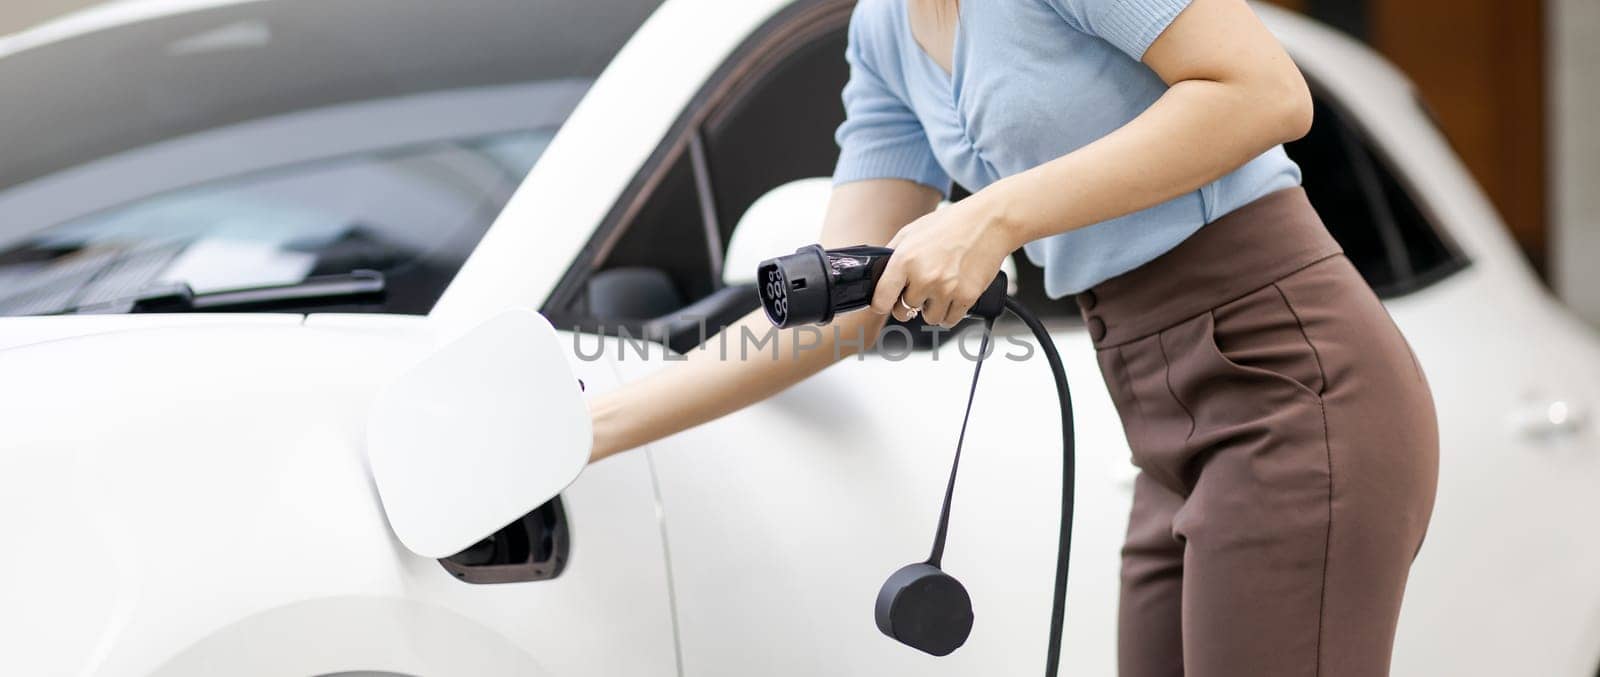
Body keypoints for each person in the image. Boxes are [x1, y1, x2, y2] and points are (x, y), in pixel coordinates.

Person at [587, 0, 1439, 674]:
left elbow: (1265, 91)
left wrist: (994, 215)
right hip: (1166, 422)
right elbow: (843, 307)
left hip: (1290, 376)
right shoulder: (884, 31)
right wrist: (592, 427)